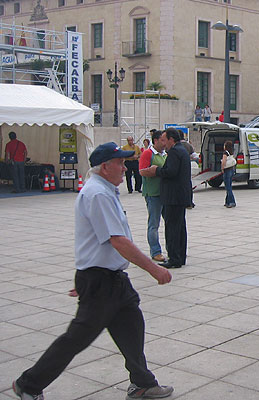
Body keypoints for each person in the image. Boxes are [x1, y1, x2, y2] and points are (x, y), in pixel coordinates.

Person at [12, 142, 173, 400]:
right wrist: (154, 269)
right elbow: (118, 240)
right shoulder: (98, 194)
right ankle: (28, 384)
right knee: (76, 339)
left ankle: (142, 382)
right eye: (120, 163)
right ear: (105, 166)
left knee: (132, 326)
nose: (124, 167)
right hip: (100, 282)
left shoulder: (105, 190)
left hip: (109, 279)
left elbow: (92, 238)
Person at [142, 128, 192, 269]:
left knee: (172, 228)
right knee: (180, 227)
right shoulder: (181, 150)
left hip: (173, 197)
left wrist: (156, 170)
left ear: (171, 139)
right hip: (180, 196)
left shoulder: (175, 152)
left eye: (164, 140)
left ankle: (174, 258)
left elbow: (170, 172)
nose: (163, 143)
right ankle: (180, 256)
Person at [139, 130, 167, 262]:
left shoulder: (165, 154)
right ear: (155, 141)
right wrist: (155, 171)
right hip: (153, 193)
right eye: (162, 140)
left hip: (164, 193)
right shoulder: (147, 154)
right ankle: (155, 251)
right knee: (154, 224)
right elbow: (142, 171)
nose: (164, 142)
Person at [221, 140, 236, 208]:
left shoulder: (225, 153)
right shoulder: (231, 152)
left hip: (227, 170)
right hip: (231, 170)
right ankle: (227, 201)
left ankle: (232, 202)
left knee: (228, 187)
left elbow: (224, 161)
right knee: (229, 185)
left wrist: (222, 168)